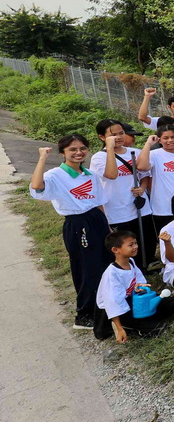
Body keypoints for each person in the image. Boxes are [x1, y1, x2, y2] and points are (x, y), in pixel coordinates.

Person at [30, 135, 116, 330]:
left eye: (82, 148)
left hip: (97, 219)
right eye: (73, 150)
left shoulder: (90, 175)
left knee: (105, 262)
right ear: (63, 153)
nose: (79, 152)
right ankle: (84, 314)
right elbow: (36, 187)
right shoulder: (55, 175)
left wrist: (107, 227)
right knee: (86, 267)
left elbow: (98, 201)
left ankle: (103, 307)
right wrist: (42, 158)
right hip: (77, 224)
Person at [94, 230, 174, 343]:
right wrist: (119, 328)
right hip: (122, 310)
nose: (135, 247)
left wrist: (140, 286)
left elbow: (139, 281)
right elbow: (113, 303)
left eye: (135, 243)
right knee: (159, 329)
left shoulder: (131, 261)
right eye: (130, 245)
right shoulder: (111, 274)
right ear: (115, 250)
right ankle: (127, 326)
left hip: (135, 301)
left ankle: (147, 320)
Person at [92, 119, 156, 267]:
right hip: (117, 209)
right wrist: (109, 149)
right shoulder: (99, 158)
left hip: (140, 207)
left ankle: (145, 268)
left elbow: (145, 174)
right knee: (124, 245)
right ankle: (126, 269)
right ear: (102, 137)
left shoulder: (136, 152)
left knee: (145, 240)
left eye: (121, 133)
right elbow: (111, 174)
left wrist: (142, 187)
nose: (119, 137)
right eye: (113, 135)